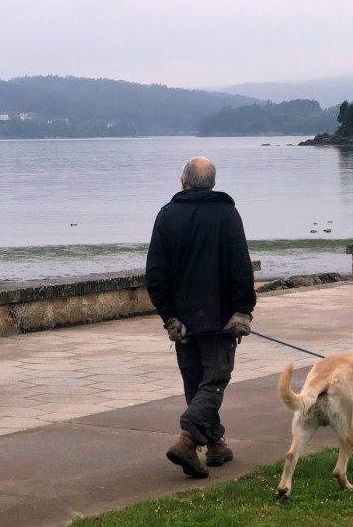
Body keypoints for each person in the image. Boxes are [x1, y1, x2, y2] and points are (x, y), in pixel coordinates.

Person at [145, 156, 256, 479]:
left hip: (186, 321)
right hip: (220, 319)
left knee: (197, 383)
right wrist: (243, 310)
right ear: (214, 184)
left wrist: (169, 316)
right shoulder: (227, 214)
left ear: (183, 182)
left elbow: (155, 275)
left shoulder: (166, 216)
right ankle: (187, 439)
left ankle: (216, 443)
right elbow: (241, 268)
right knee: (214, 382)